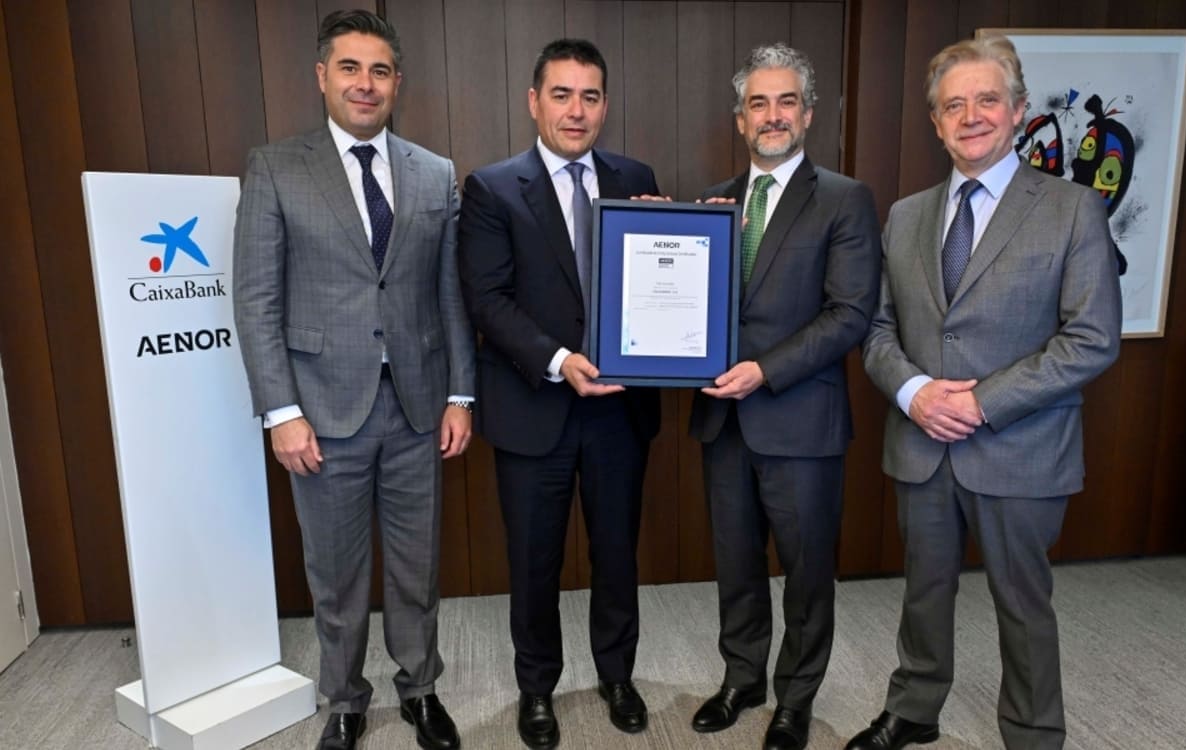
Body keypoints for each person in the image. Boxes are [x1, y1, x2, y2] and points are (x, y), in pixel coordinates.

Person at [849, 36, 1121, 750]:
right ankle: (914, 708)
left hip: (1021, 447)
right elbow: (877, 328)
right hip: (921, 444)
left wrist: (980, 402)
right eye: (953, 105)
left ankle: (1033, 734)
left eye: (987, 100)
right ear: (935, 123)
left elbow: (1091, 338)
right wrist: (913, 394)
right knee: (923, 592)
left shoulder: (1071, 210)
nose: (971, 116)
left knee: (1022, 606)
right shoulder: (906, 217)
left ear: (1019, 111)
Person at [232, 10, 473, 750]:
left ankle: (420, 689)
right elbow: (256, 297)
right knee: (335, 574)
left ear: (397, 82)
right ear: (322, 77)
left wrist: (461, 393)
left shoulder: (433, 172)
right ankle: (343, 700)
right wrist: (280, 411)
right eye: (350, 68)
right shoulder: (275, 167)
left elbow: (449, 294)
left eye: (379, 71)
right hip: (320, 411)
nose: (364, 85)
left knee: (414, 567)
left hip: (416, 408)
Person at [456, 38, 661, 750]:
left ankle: (616, 676)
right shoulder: (490, 187)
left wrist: (672, 235)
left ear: (605, 104)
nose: (578, 111)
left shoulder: (636, 177)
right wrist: (559, 358)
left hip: (619, 412)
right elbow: (488, 300)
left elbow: (657, 285)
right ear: (534, 101)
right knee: (534, 562)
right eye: (563, 94)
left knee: (617, 554)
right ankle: (536, 688)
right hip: (534, 408)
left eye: (592, 95)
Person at [688, 43, 881, 750]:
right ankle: (743, 679)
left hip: (800, 420)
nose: (773, 116)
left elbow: (850, 314)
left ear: (809, 113)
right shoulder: (712, 203)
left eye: (786, 101)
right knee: (734, 563)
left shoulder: (844, 198)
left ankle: (796, 698)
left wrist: (765, 370)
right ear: (740, 119)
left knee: (806, 573)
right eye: (758, 104)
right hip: (722, 420)